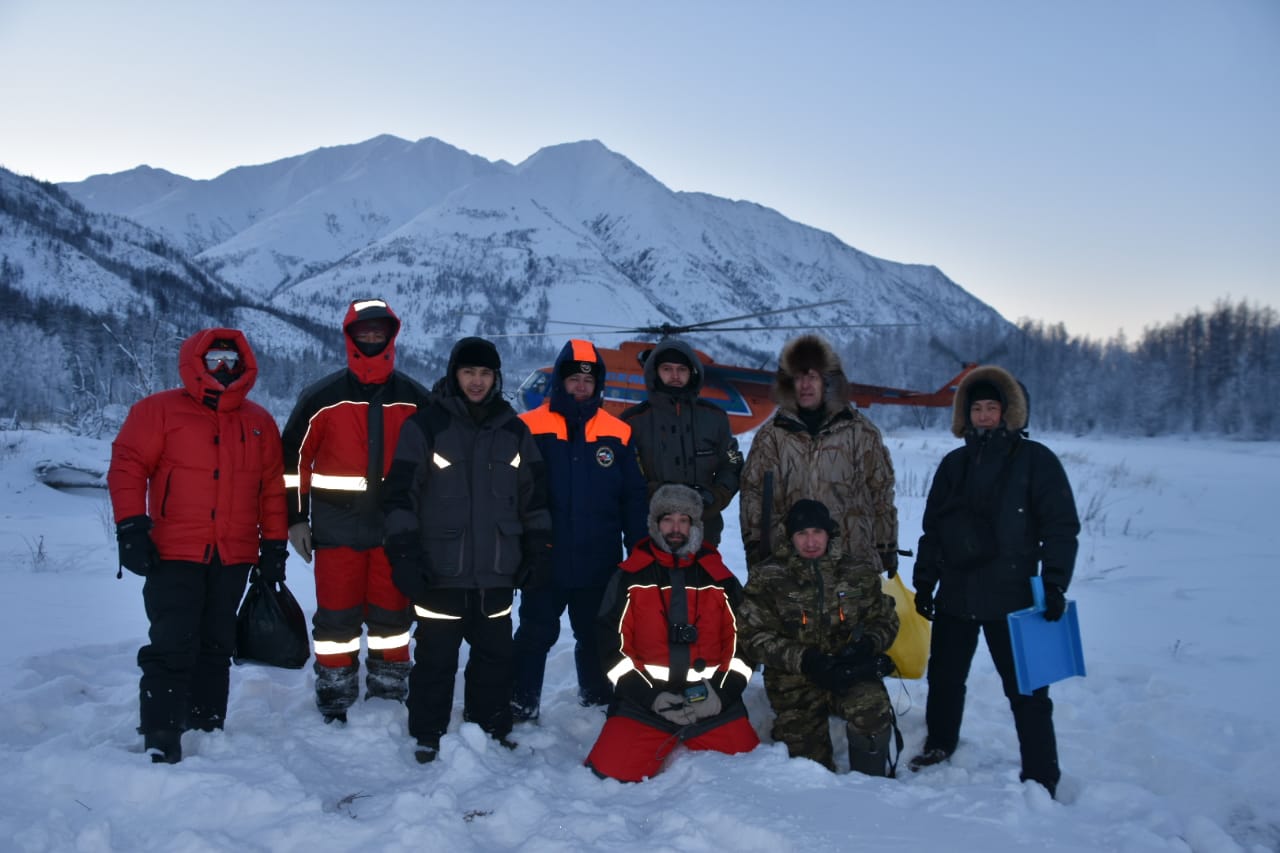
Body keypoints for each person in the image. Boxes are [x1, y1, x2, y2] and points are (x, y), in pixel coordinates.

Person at [108, 328, 288, 763]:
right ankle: (162, 732)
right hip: (172, 552)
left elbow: (271, 491)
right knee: (172, 642)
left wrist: (274, 548)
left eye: (231, 363)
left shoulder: (259, 421)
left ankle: (208, 724)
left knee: (216, 643)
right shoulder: (158, 412)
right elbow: (127, 466)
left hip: (234, 554)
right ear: (196, 364)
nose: (224, 370)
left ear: (245, 366)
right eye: (214, 363)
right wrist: (131, 527)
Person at [908, 365, 1080, 798]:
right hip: (957, 592)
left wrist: (1055, 583)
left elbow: (1061, 526)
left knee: (1027, 689)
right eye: (977, 408)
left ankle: (1041, 774)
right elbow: (934, 530)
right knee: (945, 679)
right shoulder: (954, 464)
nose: (984, 415)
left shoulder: (1036, 461)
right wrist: (925, 583)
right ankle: (940, 743)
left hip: (1014, 596)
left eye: (992, 408)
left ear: (1009, 413)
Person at [381, 337, 552, 763]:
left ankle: (490, 727)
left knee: (495, 657)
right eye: (469, 372)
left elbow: (535, 499)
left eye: (485, 373)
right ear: (454, 375)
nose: (477, 381)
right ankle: (427, 732)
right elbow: (399, 496)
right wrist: (403, 555)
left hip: (496, 570)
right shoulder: (426, 426)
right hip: (440, 570)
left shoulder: (514, 430)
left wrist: (538, 551)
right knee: (436, 659)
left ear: (497, 378)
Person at [281, 298, 432, 724]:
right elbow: (292, 464)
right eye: (363, 331)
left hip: (395, 532)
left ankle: (388, 692)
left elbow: (433, 467)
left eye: (378, 331)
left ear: (390, 336)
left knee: (393, 617)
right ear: (350, 337)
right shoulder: (322, 398)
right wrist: (295, 519)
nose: (371, 337)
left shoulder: (415, 399)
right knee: (336, 620)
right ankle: (335, 693)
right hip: (335, 529)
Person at [511, 339, 649, 721]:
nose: (582, 387)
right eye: (574, 379)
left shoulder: (618, 433)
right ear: (560, 381)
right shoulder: (526, 427)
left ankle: (597, 699)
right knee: (535, 633)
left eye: (589, 380)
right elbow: (511, 496)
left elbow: (632, 499)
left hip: (598, 559)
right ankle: (521, 703)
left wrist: (638, 548)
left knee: (595, 635)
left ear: (598, 384)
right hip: (544, 558)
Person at [586, 484, 759, 781]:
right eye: (668, 519)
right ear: (655, 524)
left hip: (711, 703)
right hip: (646, 703)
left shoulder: (720, 578)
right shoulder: (629, 576)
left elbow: (745, 647)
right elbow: (610, 650)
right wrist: (649, 696)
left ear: (695, 525)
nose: (675, 527)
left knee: (750, 774)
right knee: (607, 775)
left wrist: (721, 693)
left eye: (684, 519)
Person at [738, 499, 900, 775]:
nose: (810, 541)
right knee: (808, 766)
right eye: (802, 534)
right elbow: (753, 635)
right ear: (790, 538)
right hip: (794, 680)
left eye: (817, 532)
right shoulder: (767, 577)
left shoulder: (857, 573)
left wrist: (867, 645)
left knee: (872, 711)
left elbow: (885, 618)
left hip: (848, 671)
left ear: (829, 533)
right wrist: (806, 660)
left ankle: (873, 788)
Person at [739, 334, 899, 578]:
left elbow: (881, 490)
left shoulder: (860, 431)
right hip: (789, 564)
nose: (805, 385)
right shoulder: (771, 436)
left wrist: (886, 543)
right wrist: (755, 545)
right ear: (788, 384)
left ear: (827, 382)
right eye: (799, 378)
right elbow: (753, 493)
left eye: (812, 377)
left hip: (851, 559)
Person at [619, 337, 743, 546]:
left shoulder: (715, 418)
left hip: (704, 533)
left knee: (705, 581)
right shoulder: (632, 422)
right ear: (655, 372)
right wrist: (654, 495)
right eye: (667, 369)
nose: (675, 376)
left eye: (682, 369)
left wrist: (716, 495)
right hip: (648, 535)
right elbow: (624, 472)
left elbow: (732, 462)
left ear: (692, 373)